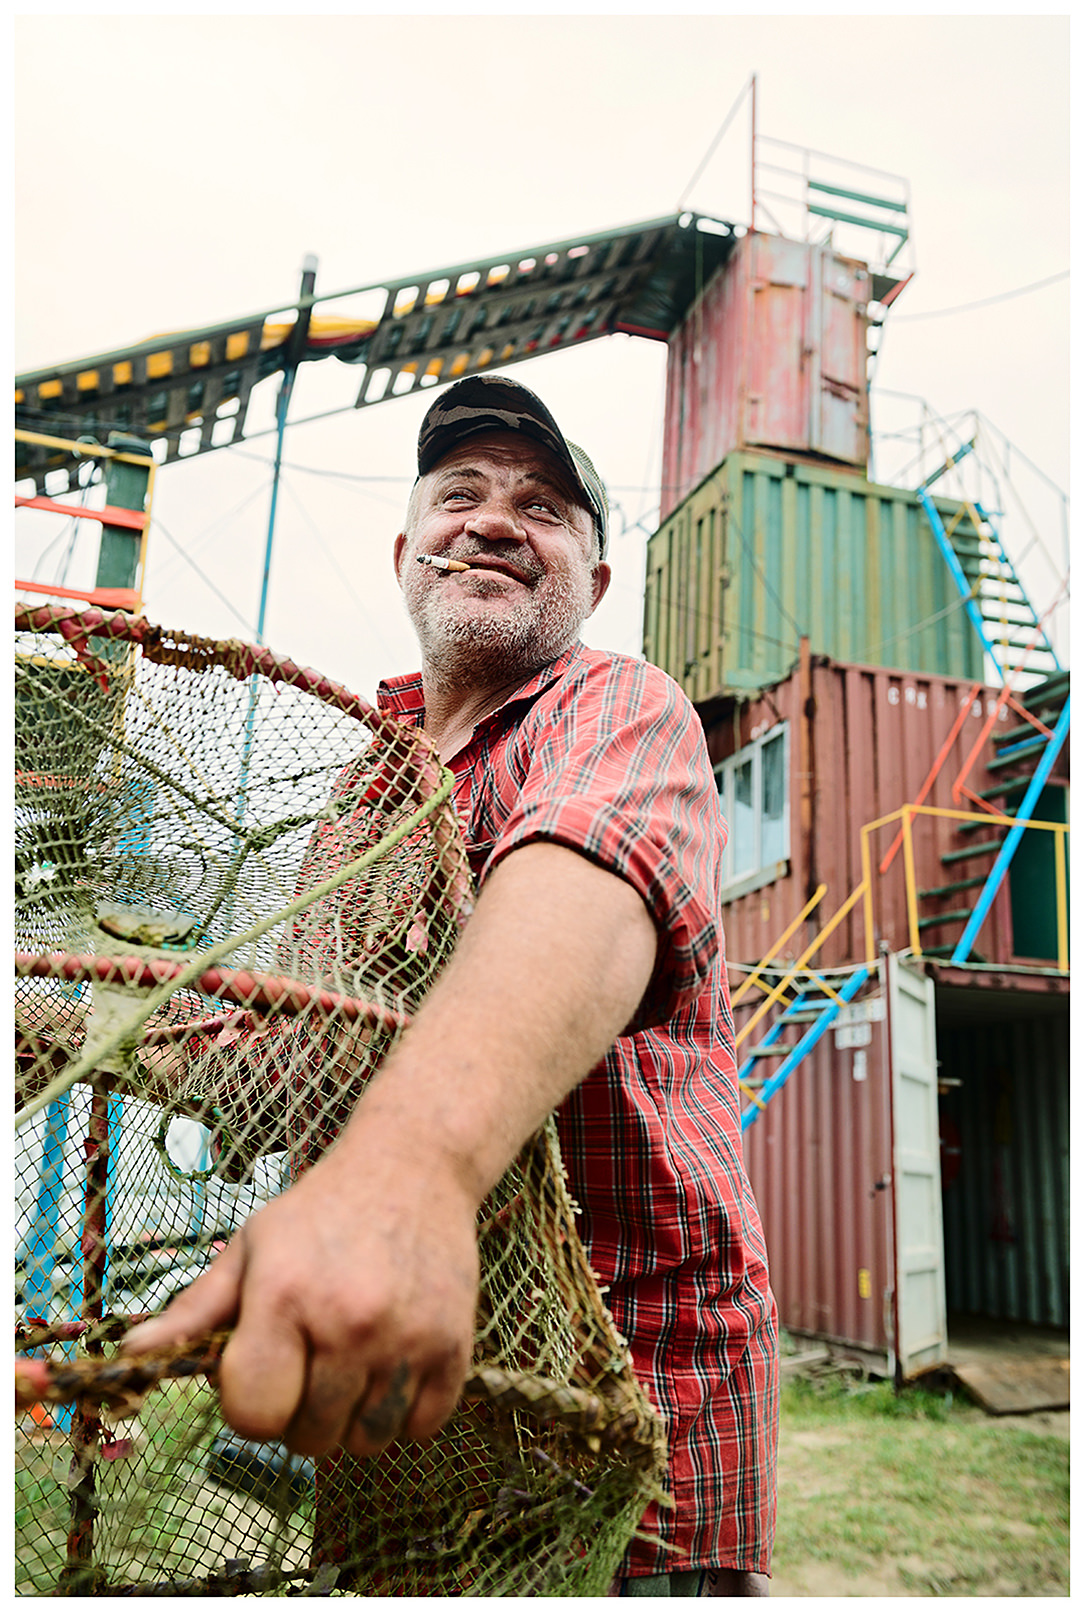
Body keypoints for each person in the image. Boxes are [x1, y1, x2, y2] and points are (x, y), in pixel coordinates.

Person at [125, 374, 779, 1595]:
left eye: (540, 508)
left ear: (590, 582)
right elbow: (301, 1048)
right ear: (404, 550)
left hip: (626, 1401)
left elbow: (586, 884)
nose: (490, 520)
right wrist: (88, 1030)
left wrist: (405, 1167)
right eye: (459, 494)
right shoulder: (364, 792)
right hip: (397, 1413)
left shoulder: (615, 705)